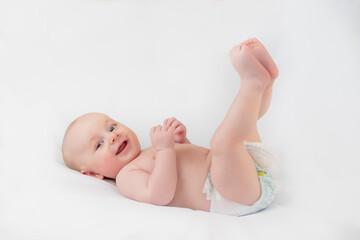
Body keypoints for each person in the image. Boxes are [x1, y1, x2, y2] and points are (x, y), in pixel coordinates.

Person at [62, 38, 280, 217]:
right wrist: (166, 150)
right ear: (92, 173)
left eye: (111, 127)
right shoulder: (126, 177)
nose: (112, 137)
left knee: (241, 131)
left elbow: (193, 166)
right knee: (223, 142)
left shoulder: (148, 152)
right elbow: (160, 194)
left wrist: (183, 143)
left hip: (242, 173)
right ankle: (253, 83)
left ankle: (265, 82)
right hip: (229, 194)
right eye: (99, 144)